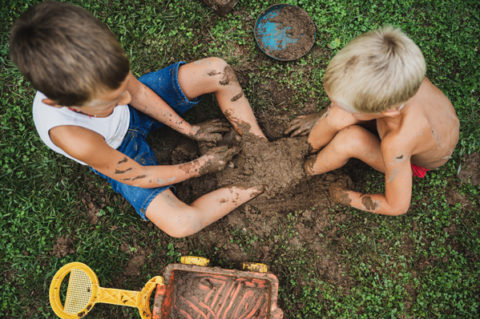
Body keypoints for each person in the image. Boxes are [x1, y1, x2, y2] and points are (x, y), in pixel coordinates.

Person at [10, 1, 267, 237]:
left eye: (122, 86)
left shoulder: (99, 66)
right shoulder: (73, 137)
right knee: (181, 223)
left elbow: (138, 93)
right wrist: (200, 166)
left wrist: (190, 130)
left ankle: (259, 145)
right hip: (118, 151)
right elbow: (139, 175)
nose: (124, 100)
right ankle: (256, 185)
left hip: (139, 115)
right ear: (62, 103)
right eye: (112, 100)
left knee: (216, 70)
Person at [285, 26, 459, 216]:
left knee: (349, 140)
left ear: (387, 110)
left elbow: (397, 206)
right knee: (337, 116)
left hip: (409, 162)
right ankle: (301, 150)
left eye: (343, 104)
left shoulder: (397, 143)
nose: (333, 107)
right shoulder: (399, 77)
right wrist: (325, 115)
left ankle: (305, 170)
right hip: (392, 122)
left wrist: (344, 196)